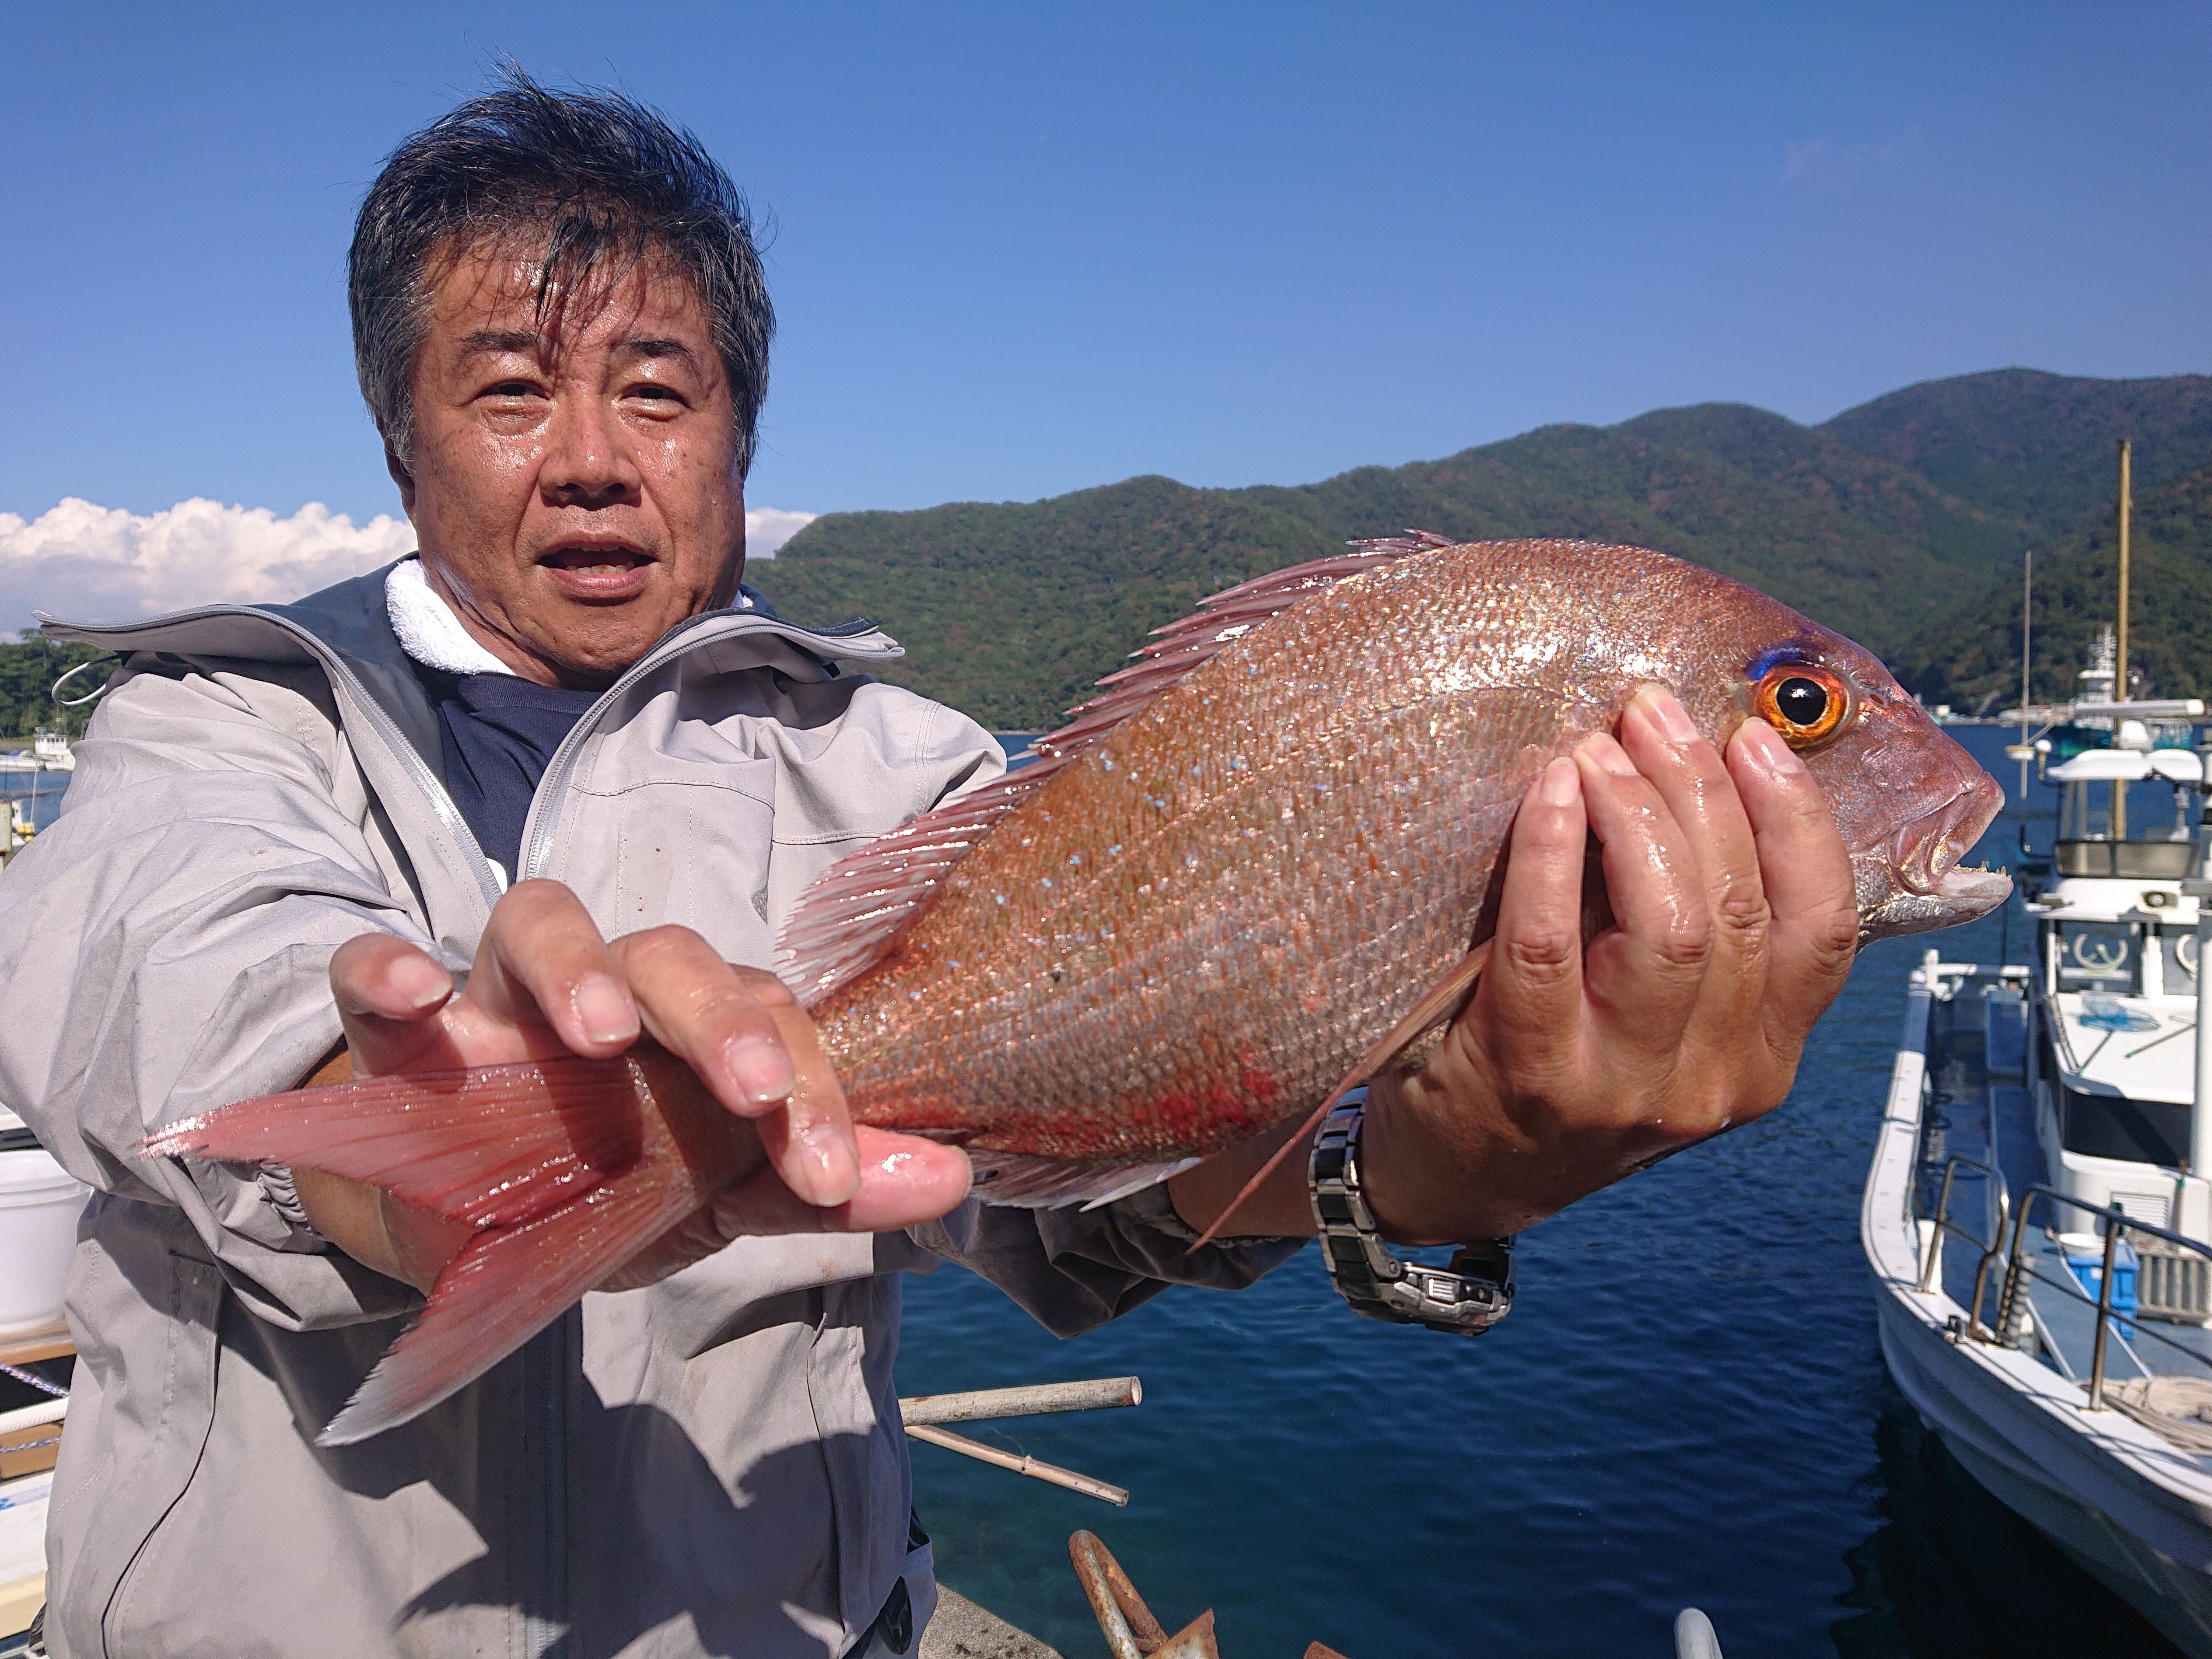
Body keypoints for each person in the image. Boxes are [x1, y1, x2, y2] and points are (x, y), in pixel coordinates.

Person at [0, 74, 1858, 1659]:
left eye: (657, 391)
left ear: (742, 436)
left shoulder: (917, 778)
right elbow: (168, 972)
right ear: (399, 444)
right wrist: (410, 1140)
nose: (591, 461)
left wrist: (1450, 1164)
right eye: (506, 393)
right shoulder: (215, 722)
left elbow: (1078, 1208)